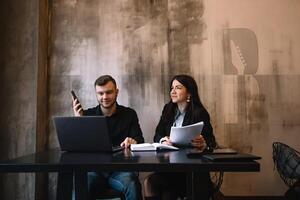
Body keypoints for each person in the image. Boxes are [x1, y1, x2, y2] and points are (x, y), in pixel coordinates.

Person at [144, 74, 216, 200]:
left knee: (168, 192)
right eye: (172, 88)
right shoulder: (168, 109)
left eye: (178, 88)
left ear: (189, 93)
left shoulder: (199, 112)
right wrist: (163, 140)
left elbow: (211, 141)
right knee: (150, 182)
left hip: (191, 168)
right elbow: (157, 134)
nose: (173, 91)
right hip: (170, 165)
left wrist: (203, 143)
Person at [72, 75, 144, 200]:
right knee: (81, 185)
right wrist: (79, 122)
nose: (104, 97)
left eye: (109, 92)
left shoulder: (129, 114)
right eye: (100, 93)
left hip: (121, 170)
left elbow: (140, 139)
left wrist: (133, 141)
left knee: (132, 184)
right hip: (94, 171)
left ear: (116, 92)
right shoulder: (86, 115)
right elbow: (78, 147)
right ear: (96, 94)